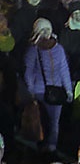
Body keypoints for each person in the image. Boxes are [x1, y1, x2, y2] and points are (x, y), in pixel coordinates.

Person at [24, 18, 72, 152]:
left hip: (57, 91)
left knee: (54, 122)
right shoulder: (33, 49)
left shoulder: (59, 49)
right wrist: (31, 90)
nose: (46, 33)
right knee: (41, 120)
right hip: (39, 91)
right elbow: (29, 71)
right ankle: (39, 145)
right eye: (42, 30)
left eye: (48, 29)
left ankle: (51, 147)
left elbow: (64, 70)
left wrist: (68, 90)